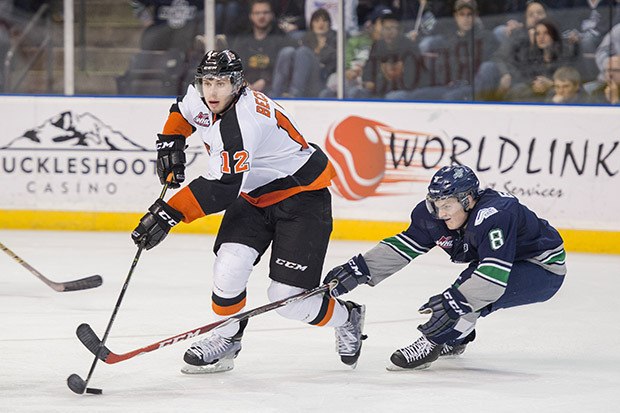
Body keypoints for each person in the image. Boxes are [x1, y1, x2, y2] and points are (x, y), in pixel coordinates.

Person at [130, 50, 366, 374]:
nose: (212, 92)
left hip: (302, 199)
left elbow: (223, 187)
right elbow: (182, 112)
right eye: (207, 82)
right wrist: (170, 143)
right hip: (253, 195)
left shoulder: (244, 121)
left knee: (288, 299)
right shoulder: (205, 99)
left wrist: (168, 212)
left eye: (222, 83)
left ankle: (347, 316)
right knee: (228, 269)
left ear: (238, 83)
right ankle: (227, 339)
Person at [323, 164, 566, 370]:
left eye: (447, 205)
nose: (440, 213)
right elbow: (405, 246)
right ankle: (458, 336)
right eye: (436, 204)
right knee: (464, 293)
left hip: (542, 268)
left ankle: (434, 342)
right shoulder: (432, 215)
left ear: (468, 200)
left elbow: (493, 277)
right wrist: (361, 268)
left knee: (465, 293)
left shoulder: (495, 215)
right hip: (507, 261)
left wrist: (452, 307)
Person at [230, 0, 296, 93]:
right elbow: (235, 67)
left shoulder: (282, 39)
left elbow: (283, 70)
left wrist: (265, 80)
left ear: (272, 15)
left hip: (274, 90)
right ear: (251, 16)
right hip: (245, 89)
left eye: (265, 12)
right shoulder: (242, 40)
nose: (261, 16)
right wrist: (244, 83)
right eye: (257, 13)